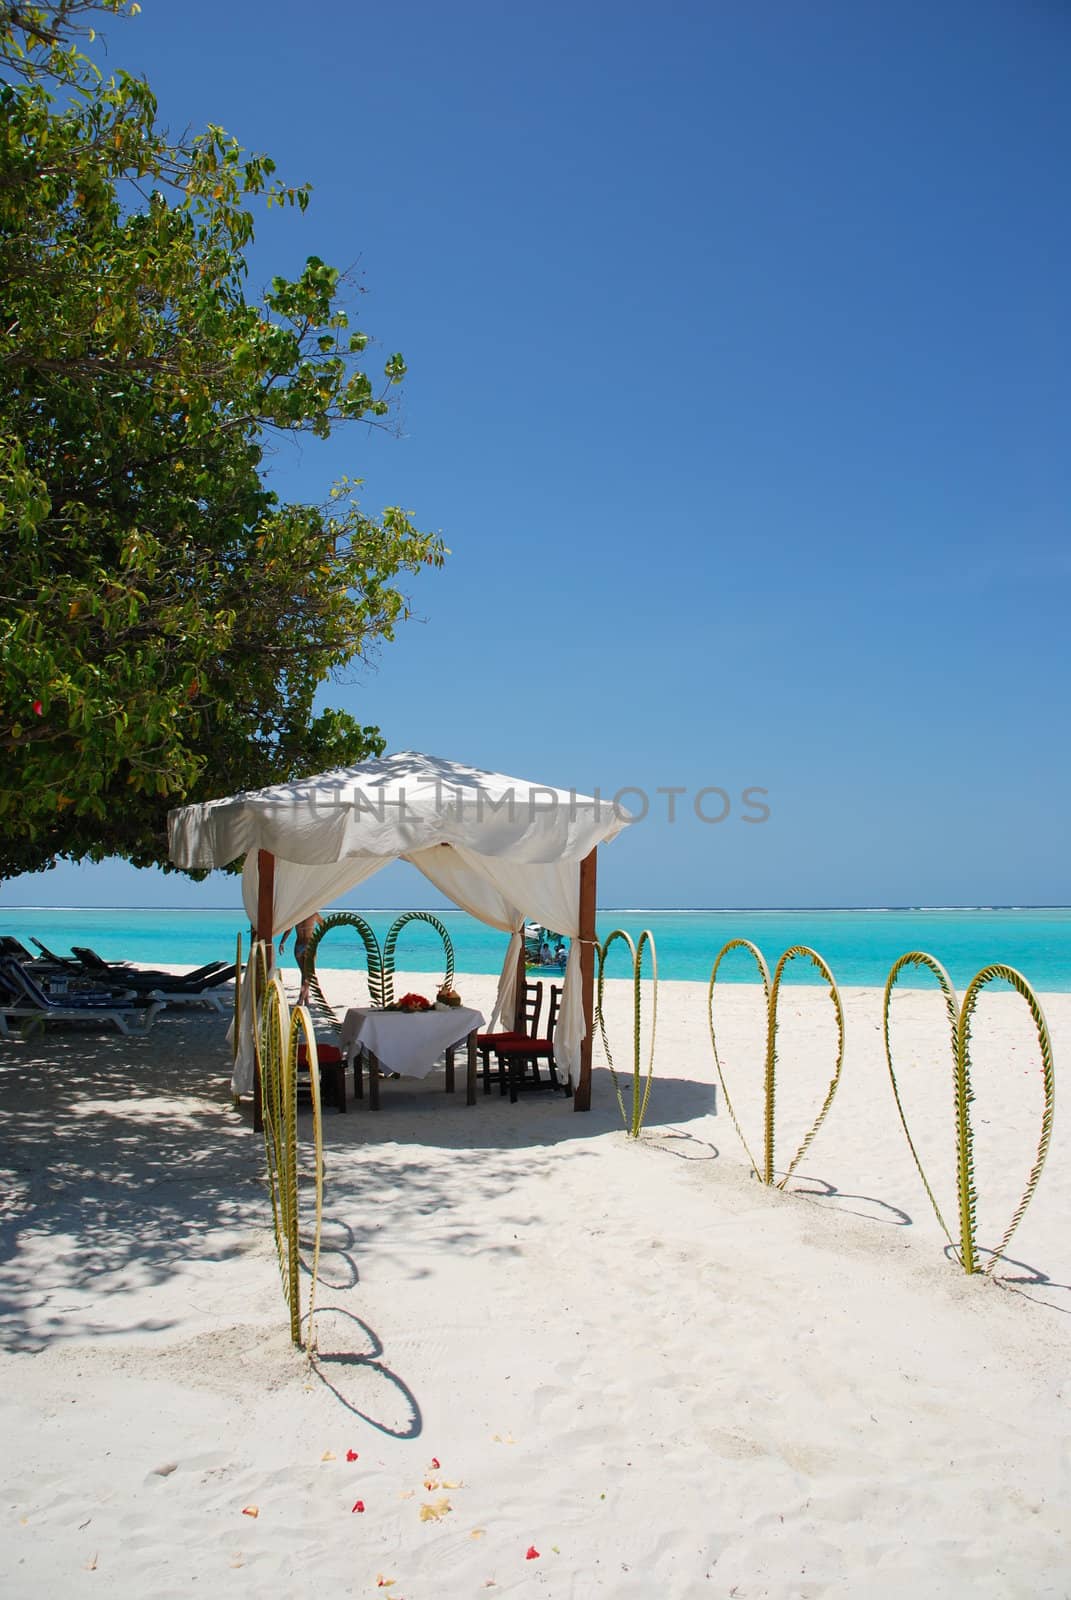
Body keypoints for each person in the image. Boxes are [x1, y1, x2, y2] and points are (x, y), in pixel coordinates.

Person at [280, 911, 323, 1005]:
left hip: (298, 946)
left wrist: (282, 942)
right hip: (309, 945)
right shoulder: (313, 913)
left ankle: (306, 1000)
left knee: (304, 973)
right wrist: (317, 936)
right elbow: (323, 925)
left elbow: (288, 929)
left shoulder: (296, 914)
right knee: (308, 975)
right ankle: (300, 999)